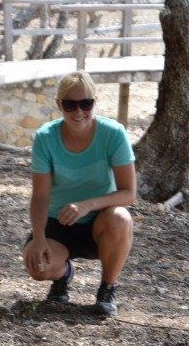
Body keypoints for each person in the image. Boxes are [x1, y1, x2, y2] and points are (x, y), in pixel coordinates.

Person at [23, 71, 136, 316]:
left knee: (121, 217)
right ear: (58, 104)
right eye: (69, 105)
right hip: (58, 222)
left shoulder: (113, 134)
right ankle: (63, 275)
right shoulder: (45, 137)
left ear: (95, 102)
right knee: (38, 267)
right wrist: (39, 238)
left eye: (86, 104)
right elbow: (40, 196)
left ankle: (107, 289)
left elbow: (128, 193)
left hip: (99, 222)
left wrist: (88, 205)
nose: (78, 112)